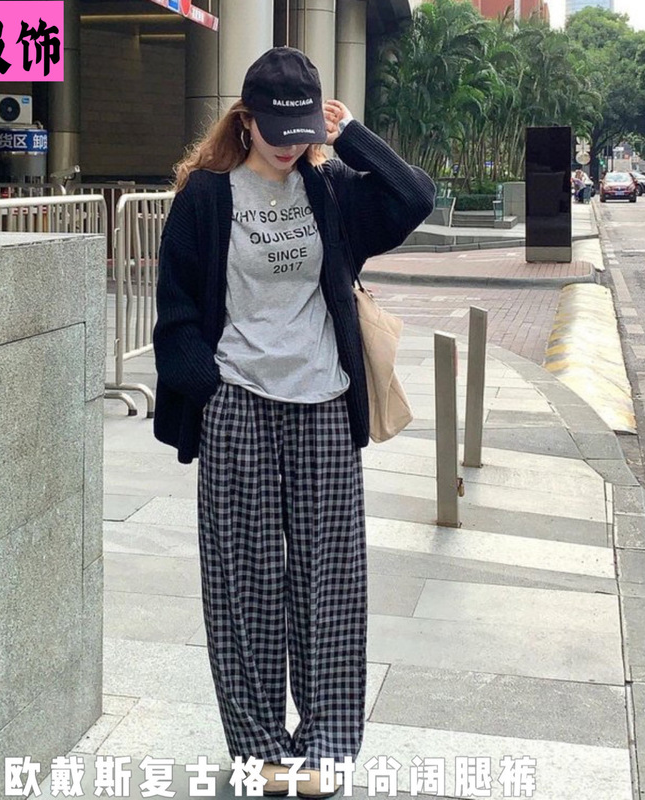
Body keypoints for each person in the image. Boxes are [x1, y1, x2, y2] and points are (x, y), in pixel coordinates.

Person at [153, 47, 435, 798]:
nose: (288, 145)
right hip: (238, 403)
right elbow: (175, 306)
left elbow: (414, 198)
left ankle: (327, 746)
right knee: (241, 585)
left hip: (322, 403)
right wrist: (206, 389)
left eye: (301, 130)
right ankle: (258, 749)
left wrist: (354, 136)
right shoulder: (207, 196)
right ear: (245, 120)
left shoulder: (331, 188)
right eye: (275, 130)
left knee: (329, 583)